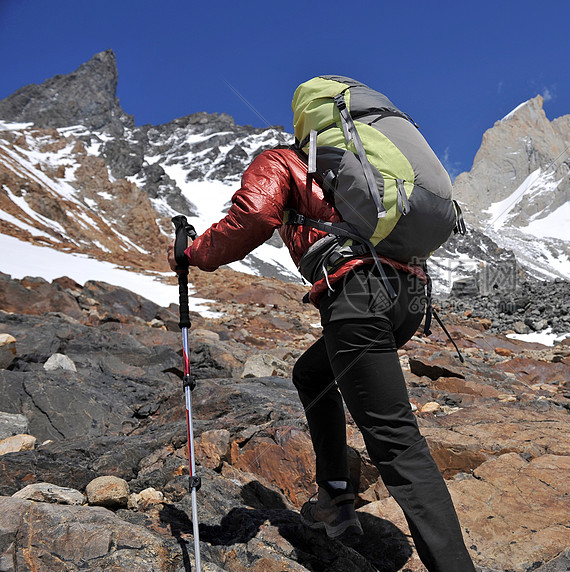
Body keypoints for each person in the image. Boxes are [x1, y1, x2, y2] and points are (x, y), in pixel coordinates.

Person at [167, 145, 476, 571]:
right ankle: (335, 496)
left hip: (360, 295)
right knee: (311, 374)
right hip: (409, 298)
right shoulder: (361, 166)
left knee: (397, 443)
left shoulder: (278, 160)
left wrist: (193, 252)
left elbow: (255, 215)